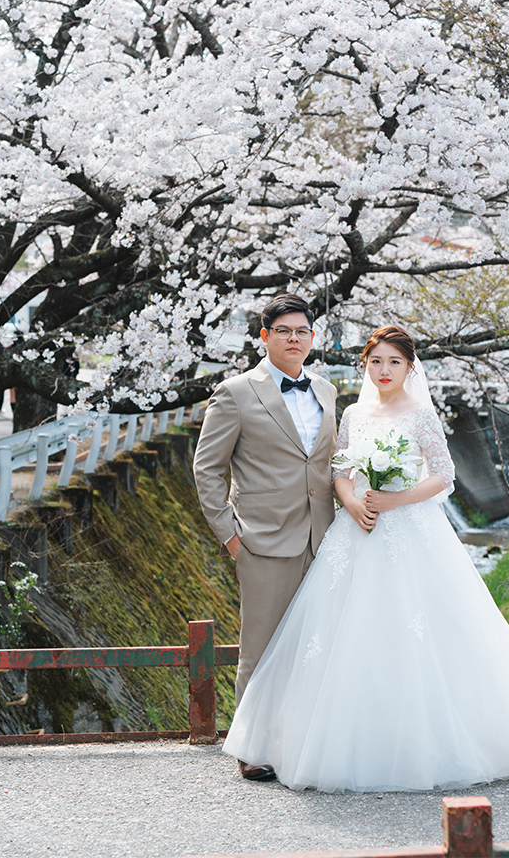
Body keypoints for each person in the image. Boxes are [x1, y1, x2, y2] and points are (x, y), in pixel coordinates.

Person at [222, 324, 509, 793]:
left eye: (395, 362)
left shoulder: (421, 413)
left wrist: (394, 500)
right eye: (376, 361)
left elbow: (443, 475)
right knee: (343, 636)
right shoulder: (353, 413)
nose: (384, 371)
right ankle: (322, 741)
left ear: (409, 367)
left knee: (414, 632)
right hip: (356, 531)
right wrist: (354, 501)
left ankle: (423, 742)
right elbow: (338, 470)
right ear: (365, 364)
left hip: (410, 531)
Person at [192, 292, 340, 781]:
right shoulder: (236, 392)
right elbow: (207, 468)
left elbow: (328, 461)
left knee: (314, 645)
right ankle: (253, 748)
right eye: (284, 331)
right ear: (264, 337)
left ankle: (299, 739)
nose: (294, 339)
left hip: (324, 537)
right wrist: (230, 536)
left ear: (312, 338)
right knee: (260, 644)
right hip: (261, 539)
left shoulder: (326, 389)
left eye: (302, 331)